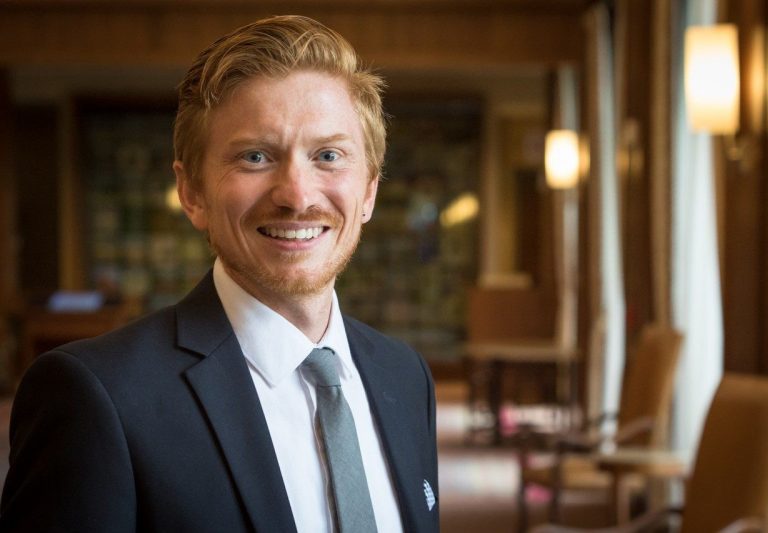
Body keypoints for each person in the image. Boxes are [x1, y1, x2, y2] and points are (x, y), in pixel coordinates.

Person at [0, 15, 439, 533]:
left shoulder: (405, 377)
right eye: (255, 157)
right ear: (192, 193)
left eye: (328, 155)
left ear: (368, 191)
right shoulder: (94, 397)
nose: (297, 195)